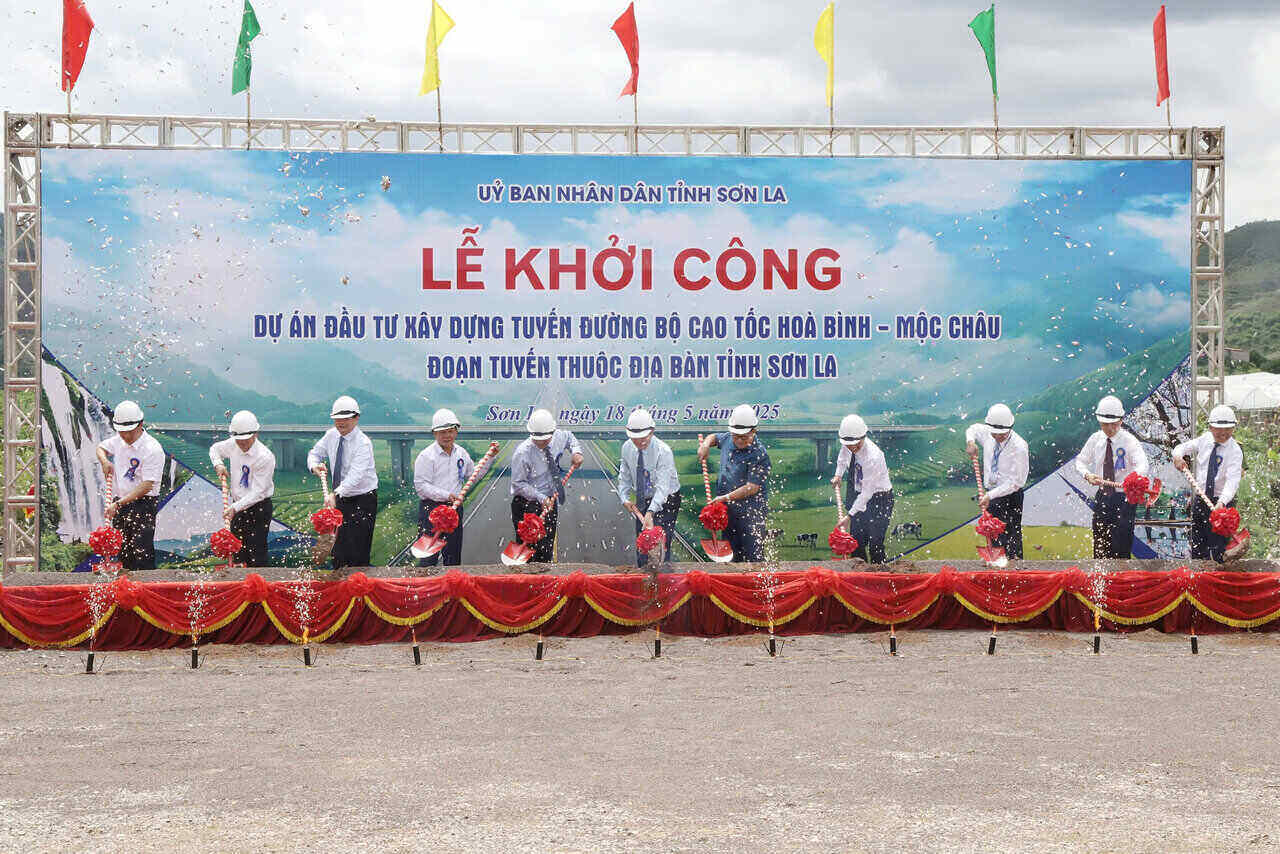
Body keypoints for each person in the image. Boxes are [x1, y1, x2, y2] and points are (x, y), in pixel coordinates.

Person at [307, 395, 378, 570]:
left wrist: (335, 494)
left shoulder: (363, 443)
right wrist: (314, 466)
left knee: (358, 551)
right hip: (340, 498)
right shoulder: (331, 436)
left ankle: (358, 591)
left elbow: (356, 476)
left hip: (363, 499)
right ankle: (339, 590)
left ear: (356, 418)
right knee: (338, 550)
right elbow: (314, 453)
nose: (341, 423)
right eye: (337, 419)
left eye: (346, 418)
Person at [1074, 395, 1149, 559]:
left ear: (1121, 420)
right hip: (1103, 496)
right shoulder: (1095, 439)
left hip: (1124, 499)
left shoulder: (1129, 441)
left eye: (1113, 424)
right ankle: (1100, 580)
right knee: (1100, 543)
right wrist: (1087, 474)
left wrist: (1134, 479)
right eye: (1104, 424)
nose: (1109, 428)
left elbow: (1143, 465)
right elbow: (1080, 461)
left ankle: (1121, 581)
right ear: (1099, 421)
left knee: (1121, 544)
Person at [95, 400, 165, 570]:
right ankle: (126, 588)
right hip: (120, 502)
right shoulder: (119, 440)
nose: (125, 436)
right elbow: (101, 447)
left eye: (129, 432)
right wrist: (105, 462)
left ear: (140, 425)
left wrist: (118, 503)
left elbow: (147, 485)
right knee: (124, 551)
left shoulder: (152, 449)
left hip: (143, 504)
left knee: (142, 549)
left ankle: (145, 589)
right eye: (121, 432)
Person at [698, 404, 771, 562]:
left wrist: (724, 498)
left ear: (754, 431)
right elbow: (714, 437)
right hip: (728, 510)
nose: (738, 440)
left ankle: (754, 585)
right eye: (735, 436)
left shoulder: (759, 454)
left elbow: (752, 488)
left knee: (753, 556)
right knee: (731, 556)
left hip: (752, 513)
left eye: (743, 437)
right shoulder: (728, 438)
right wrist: (705, 445)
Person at [509, 408, 583, 563]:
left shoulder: (559, 437)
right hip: (527, 504)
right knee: (528, 552)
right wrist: (540, 497)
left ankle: (544, 578)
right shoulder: (523, 453)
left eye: (546, 438)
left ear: (553, 432)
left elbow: (570, 437)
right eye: (537, 439)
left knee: (546, 547)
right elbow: (518, 484)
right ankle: (525, 581)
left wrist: (576, 452)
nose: (541, 442)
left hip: (549, 501)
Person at [1172, 404, 1243, 563]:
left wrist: (1222, 502)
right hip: (1201, 499)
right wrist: (1178, 457)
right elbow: (1181, 448)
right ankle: (1198, 579)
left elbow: (1232, 481)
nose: (1223, 433)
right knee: (1198, 544)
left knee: (1219, 548)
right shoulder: (1204, 439)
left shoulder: (1235, 451)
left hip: (1223, 505)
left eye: (1228, 429)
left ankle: (1218, 579)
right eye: (1218, 429)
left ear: (1234, 428)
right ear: (1210, 427)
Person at [208, 410, 277, 567]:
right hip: (237, 506)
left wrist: (235, 508)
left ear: (256, 434)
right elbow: (214, 449)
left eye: (246, 440)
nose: (242, 444)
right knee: (237, 550)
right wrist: (218, 464)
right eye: (238, 440)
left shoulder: (265, 457)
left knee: (256, 551)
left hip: (258, 507)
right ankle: (240, 586)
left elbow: (258, 492)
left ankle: (258, 586)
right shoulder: (233, 445)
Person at [617, 408, 682, 567]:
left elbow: (662, 488)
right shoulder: (626, 448)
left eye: (643, 438)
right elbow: (624, 476)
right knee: (644, 543)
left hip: (667, 500)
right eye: (635, 439)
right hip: (643, 498)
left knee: (659, 547)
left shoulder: (663, 451)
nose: (639, 442)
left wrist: (651, 512)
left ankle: (662, 581)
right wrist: (624, 498)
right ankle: (643, 578)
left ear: (652, 431)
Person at [964, 403, 1029, 560]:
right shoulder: (988, 433)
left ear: (1010, 427)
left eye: (1002, 434)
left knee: (1011, 537)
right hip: (992, 496)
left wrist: (990, 495)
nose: (998, 437)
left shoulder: (1019, 447)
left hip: (1010, 496)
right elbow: (971, 429)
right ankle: (997, 570)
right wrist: (971, 442)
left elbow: (1016, 482)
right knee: (994, 535)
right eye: (995, 434)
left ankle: (1015, 573)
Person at [413, 408, 475, 567]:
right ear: (434, 433)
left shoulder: (461, 453)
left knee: (453, 556)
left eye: (451, 431)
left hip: (454, 509)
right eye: (442, 432)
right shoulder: (426, 456)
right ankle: (426, 590)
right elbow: (421, 487)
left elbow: (473, 475)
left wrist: (490, 458)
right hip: (432, 510)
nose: (447, 436)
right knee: (428, 558)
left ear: (456, 431)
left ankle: (452, 590)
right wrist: (446, 495)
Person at [831, 414, 894, 564]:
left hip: (880, 499)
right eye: (848, 444)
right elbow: (842, 457)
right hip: (859, 495)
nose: (852, 448)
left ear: (863, 436)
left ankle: (879, 579)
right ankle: (860, 579)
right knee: (856, 544)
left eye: (856, 445)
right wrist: (838, 475)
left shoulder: (873, 456)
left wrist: (849, 516)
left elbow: (867, 493)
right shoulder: (848, 441)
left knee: (875, 545)